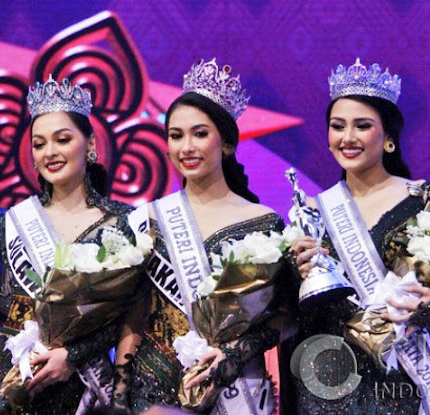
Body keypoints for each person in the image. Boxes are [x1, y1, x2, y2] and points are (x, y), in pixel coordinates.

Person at [287, 58, 430, 414]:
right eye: (337, 126)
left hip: (404, 375)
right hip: (329, 381)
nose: (347, 138)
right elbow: (293, 312)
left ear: (388, 137)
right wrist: (296, 272)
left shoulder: (427, 202)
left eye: (362, 126)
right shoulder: (313, 211)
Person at [0, 76, 138, 414]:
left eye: (62, 139)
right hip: (18, 386)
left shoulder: (125, 222)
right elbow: (13, 314)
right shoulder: (12, 222)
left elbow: (131, 315)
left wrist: (73, 356)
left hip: (86, 391)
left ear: (90, 143)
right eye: (39, 144)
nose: (50, 152)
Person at [116, 59, 296, 414]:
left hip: (236, 389)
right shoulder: (145, 220)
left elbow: (288, 315)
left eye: (200, 134)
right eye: (176, 135)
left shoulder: (264, 222)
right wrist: (121, 394)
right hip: (154, 392)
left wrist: (235, 353)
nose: (186, 147)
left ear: (226, 143)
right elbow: (132, 314)